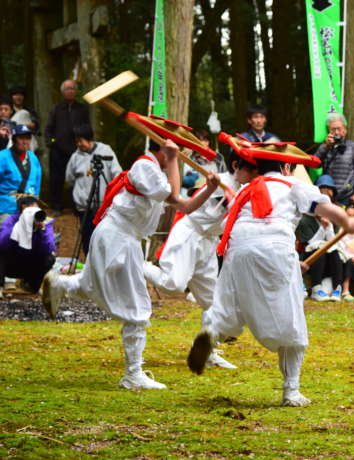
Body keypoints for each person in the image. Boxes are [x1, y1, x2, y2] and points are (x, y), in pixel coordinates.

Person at [186, 141, 354, 407]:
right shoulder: (292, 185)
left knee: (231, 306)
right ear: (286, 166)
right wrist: (349, 222)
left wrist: (291, 263)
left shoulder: (246, 188)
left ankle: (212, 332)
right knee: (292, 318)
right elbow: (324, 209)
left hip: (239, 248)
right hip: (275, 248)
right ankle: (291, 390)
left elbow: (229, 225)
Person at [42, 139, 221, 390]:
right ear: (161, 149)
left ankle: (59, 283)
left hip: (122, 238)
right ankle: (132, 374)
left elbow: (185, 205)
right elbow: (172, 193)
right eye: (177, 152)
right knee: (137, 308)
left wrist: (210, 189)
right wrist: (172, 159)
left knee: (91, 285)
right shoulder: (144, 167)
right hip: (117, 236)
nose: (181, 157)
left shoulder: (156, 173)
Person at [144, 172, 241, 370]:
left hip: (208, 242)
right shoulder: (221, 181)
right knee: (173, 285)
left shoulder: (245, 187)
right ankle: (137, 263)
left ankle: (209, 352)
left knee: (215, 303)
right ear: (236, 166)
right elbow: (219, 206)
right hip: (190, 234)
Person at [65, 124, 122, 254]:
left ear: (89, 138)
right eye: (76, 141)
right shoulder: (75, 156)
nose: (78, 144)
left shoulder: (105, 150)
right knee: (86, 238)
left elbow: (117, 173)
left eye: (80, 140)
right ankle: (88, 266)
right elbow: (69, 178)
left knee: (104, 237)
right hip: (84, 207)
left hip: (103, 205)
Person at [44, 79, 91, 216]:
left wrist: (85, 143)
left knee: (78, 178)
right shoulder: (56, 108)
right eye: (67, 89)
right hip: (58, 150)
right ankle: (57, 206)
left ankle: (76, 206)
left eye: (72, 88)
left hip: (77, 150)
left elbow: (87, 128)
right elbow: (49, 129)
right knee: (57, 178)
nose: (70, 91)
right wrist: (51, 142)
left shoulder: (82, 109)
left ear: (76, 91)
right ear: (63, 92)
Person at [297, 175, 344, 301]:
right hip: (310, 257)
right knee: (320, 250)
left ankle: (337, 289)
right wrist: (322, 228)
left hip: (329, 257)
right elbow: (310, 244)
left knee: (335, 253)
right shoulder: (305, 220)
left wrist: (328, 227)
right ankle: (316, 288)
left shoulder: (333, 218)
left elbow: (334, 242)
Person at [0, 196, 55, 298]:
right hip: (12, 263)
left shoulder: (44, 222)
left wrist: (41, 231)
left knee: (49, 258)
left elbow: (49, 249)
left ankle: (30, 285)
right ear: (23, 209)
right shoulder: (12, 220)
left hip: (31, 264)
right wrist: (19, 226)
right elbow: (2, 244)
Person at [314, 113, 354, 204]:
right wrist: (325, 146)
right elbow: (314, 163)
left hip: (348, 197)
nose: (336, 132)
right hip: (328, 196)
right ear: (329, 131)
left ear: (345, 130)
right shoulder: (326, 147)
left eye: (339, 129)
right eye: (333, 129)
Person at [0, 125, 41, 225]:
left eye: (28, 138)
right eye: (21, 138)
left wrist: (34, 202)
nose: (25, 141)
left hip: (30, 206)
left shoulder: (33, 158)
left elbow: (37, 183)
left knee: (43, 233)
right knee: (5, 235)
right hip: (7, 207)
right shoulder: (2, 157)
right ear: (14, 140)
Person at [9, 86, 39, 152]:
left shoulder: (30, 111)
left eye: (21, 95)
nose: (18, 97)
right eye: (16, 94)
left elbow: (36, 125)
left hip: (28, 143)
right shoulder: (8, 111)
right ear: (11, 96)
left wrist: (28, 125)